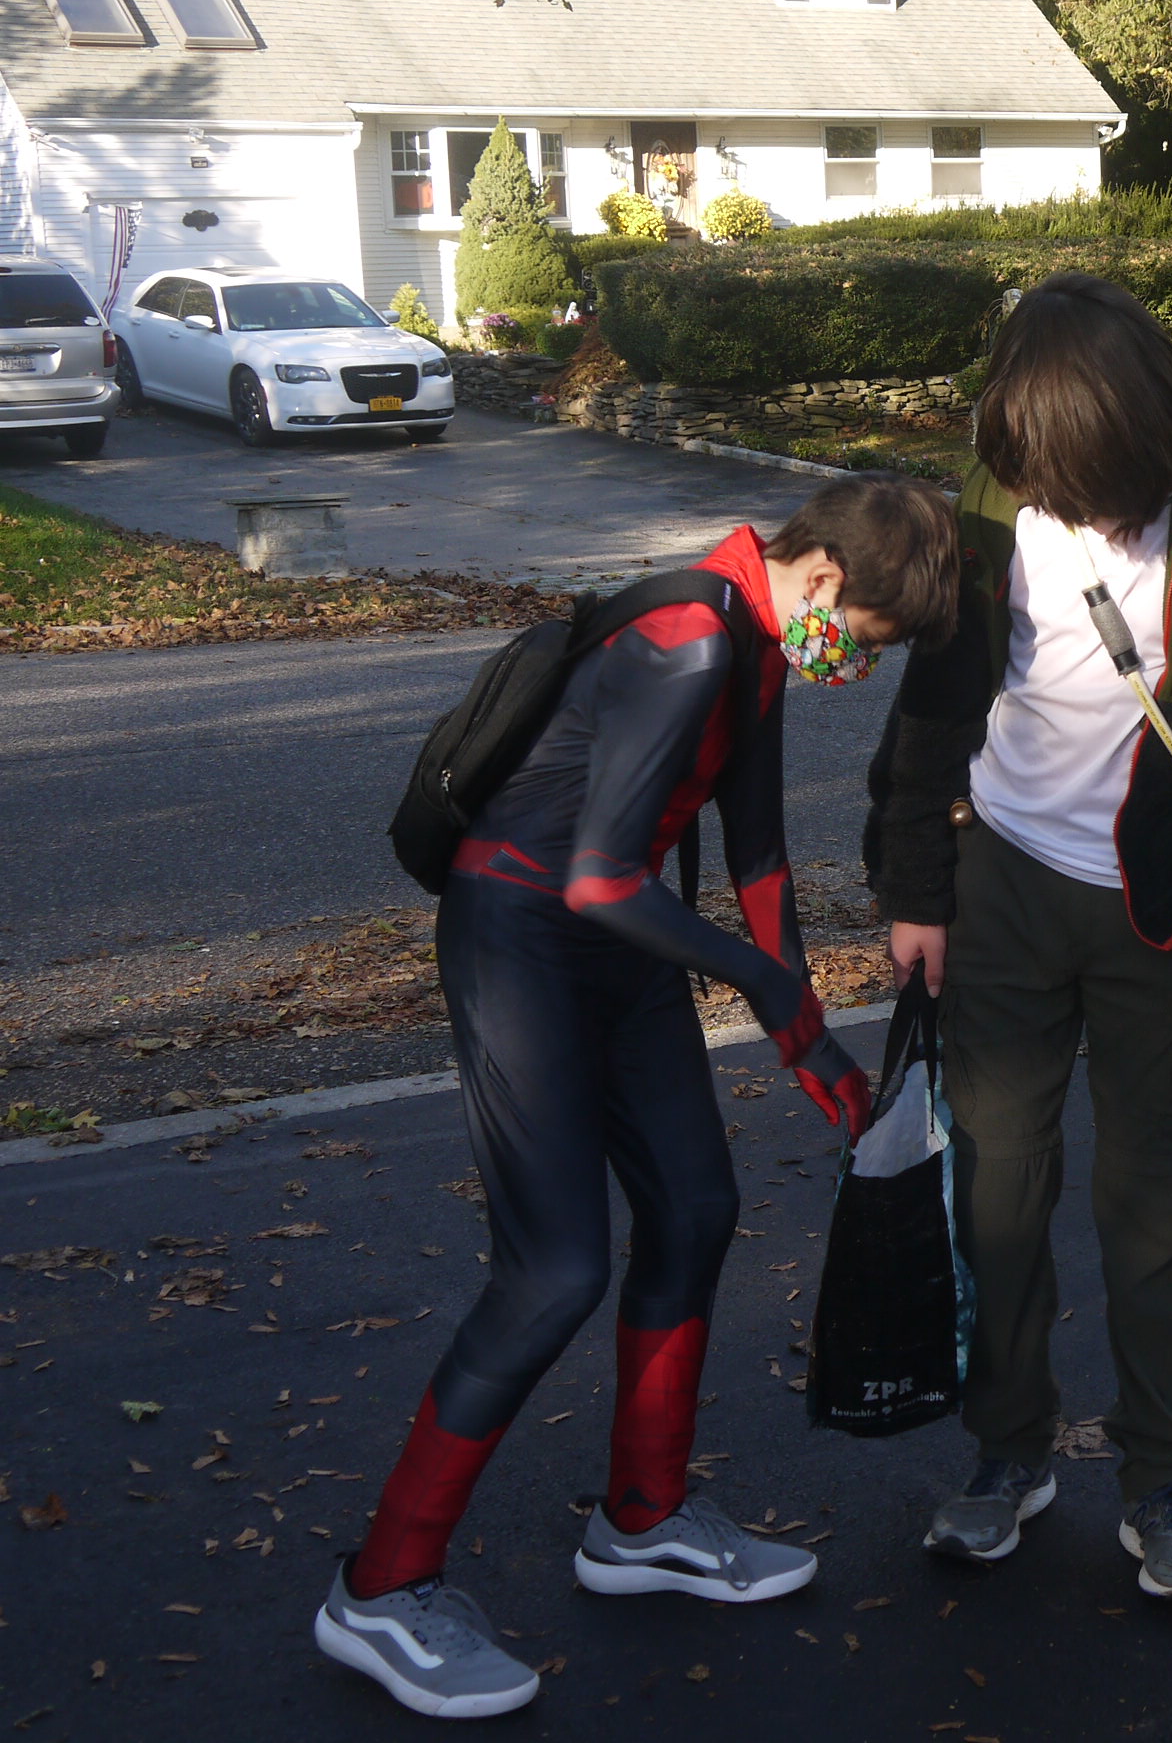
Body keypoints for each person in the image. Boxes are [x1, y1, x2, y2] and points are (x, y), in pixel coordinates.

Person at [315, 474, 959, 1720]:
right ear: (823, 577)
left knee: (695, 1211)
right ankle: (380, 1588)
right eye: (868, 636)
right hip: (522, 941)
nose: (861, 663)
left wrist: (811, 1039)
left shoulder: (756, 639)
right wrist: (760, 989)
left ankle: (643, 1518)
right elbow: (603, 878)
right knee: (553, 1270)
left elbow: (756, 851)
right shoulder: (689, 638)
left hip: (618, 950)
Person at [866, 274, 1172, 1601]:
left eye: (1091, 484)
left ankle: (1163, 1477)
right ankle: (1007, 1453)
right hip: (1001, 889)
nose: (1069, 504)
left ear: (1147, 434)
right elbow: (935, 703)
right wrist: (917, 889)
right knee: (996, 1193)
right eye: (1046, 481)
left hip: (1164, 909)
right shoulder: (992, 499)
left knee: (1157, 1204)